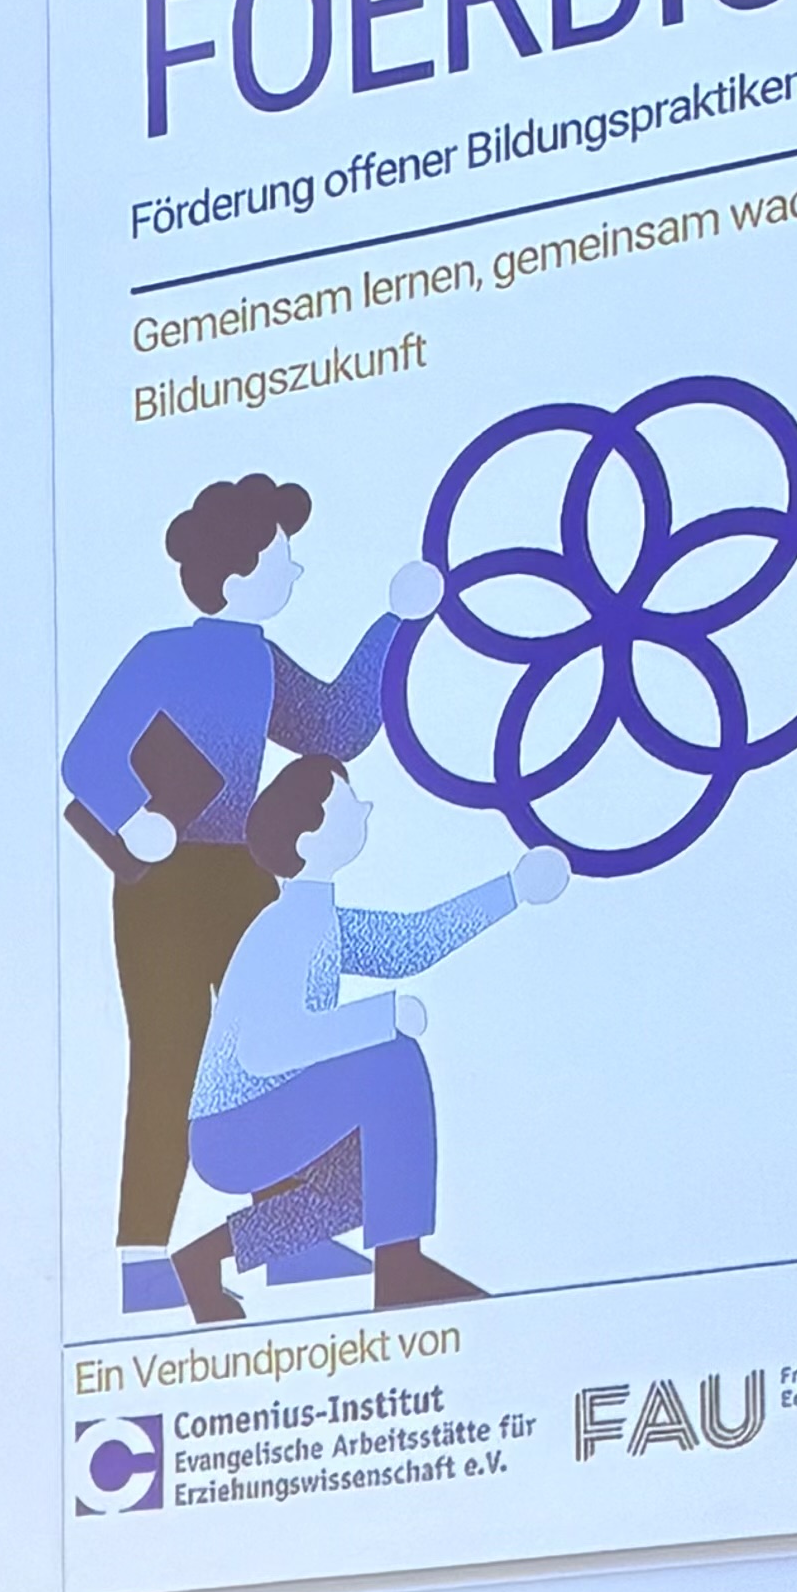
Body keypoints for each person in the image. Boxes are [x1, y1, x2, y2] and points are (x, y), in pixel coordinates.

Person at [61, 476, 435, 1310]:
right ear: (235, 575)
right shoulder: (162, 653)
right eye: (281, 558)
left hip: (244, 873)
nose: (294, 571)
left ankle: (286, 1243)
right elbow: (86, 758)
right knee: (170, 1055)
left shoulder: (260, 660)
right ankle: (142, 1259)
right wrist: (135, 817)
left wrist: (397, 624)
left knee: (275, 1053)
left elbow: (335, 726)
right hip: (162, 882)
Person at [170, 757, 568, 1321]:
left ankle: (202, 1262)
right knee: (393, 1061)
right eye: (348, 804)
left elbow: (408, 944)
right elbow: (264, 1049)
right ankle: (402, 1273)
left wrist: (513, 889)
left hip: (267, 1116)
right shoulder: (284, 930)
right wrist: (381, 1017)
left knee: (364, 1185)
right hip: (232, 1131)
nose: (366, 809)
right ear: (308, 840)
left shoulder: (319, 919)